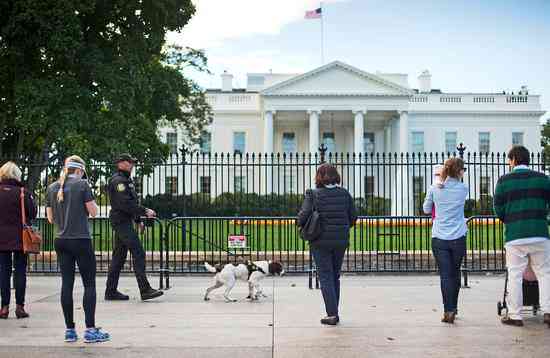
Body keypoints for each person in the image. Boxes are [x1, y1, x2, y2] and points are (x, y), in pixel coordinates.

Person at [46, 155, 110, 343]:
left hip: (61, 240)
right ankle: (90, 330)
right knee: (89, 284)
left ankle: (70, 330)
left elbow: (50, 219)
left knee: (67, 284)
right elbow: (93, 211)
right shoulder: (82, 185)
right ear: (80, 170)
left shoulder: (52, 188)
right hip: (80, 239)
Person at [493, 145, 550, 327]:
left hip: (515, 235)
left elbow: (498, 209)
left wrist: (509, 218)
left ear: (514, 160)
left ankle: (515, 315)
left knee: (515, 274)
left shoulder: (503, 181)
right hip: (540, 232)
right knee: (545, 273)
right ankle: (548, 311)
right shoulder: (543, 179)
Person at [297, 163, 357, 325]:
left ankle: (332, 314)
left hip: (319, 240)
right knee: (334, 276)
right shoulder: (345, 194)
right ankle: (334, 311)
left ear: (319, 177)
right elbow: (353, 218)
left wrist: (301, 222)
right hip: (340, 241)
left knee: (325, 276)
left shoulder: (313, 194)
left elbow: (303, 217)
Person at [105, 154, 162, 301]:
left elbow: (130, 202)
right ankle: (145, 290)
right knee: (138, 253)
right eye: (130, 163)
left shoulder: (125, 180)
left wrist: (138, 220)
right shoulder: (118, 181)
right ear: (121, 163)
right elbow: (124, 204)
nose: (133, 165)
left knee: (119, 257)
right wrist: (145, 211)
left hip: (124, 221)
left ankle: (110, 291)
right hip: (121, 222)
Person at [423, 157, 468, 324]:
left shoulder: (434, 188)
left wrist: (437, 191)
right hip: (458, 236)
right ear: (459, 171)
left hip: (440, 237)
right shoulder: (464, 188)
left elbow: (426, 209)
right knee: (455, 273)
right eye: (463, 170)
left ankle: (448, 309)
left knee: (445, 275)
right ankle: (454, 307)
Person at [0, 162, 37, 319]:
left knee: (3, 272)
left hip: (1, 237)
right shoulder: (23, 192)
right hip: (20, 238)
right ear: (17, 175)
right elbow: (33, 213)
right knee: (20, 271)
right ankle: (20, 307)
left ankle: (4, 307)